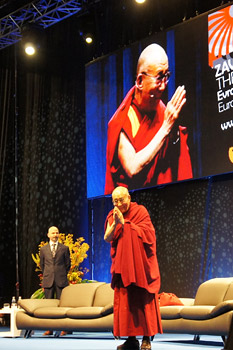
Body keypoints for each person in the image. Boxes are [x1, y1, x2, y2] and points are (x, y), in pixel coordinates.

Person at [105, 43, 193, 195]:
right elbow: (132, 168)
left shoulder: (162, 110)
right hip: (133, 210)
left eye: (167, 76)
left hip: (162, 201)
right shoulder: (121, 120)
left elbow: (174, 164)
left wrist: (175, 135)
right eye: (159, 78)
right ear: (140, 81)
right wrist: (167, 127)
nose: (164, 86)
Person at [104, 186, 162, 350]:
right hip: (123, 267)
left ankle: (146, 339)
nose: (118, 203)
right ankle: (131, 339)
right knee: (127, 303)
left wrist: (126, 224)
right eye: (115, 201)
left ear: (129, 198)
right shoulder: (113, 214)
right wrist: (116, 223)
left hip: (141, 266)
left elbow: (149, 235)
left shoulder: (140, 211)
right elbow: (107, 237)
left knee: (143, 301)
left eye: (121, 200)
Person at [40, 226, 71, 336]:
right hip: (48, 280)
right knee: (48, 306)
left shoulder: (64, 248)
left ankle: (64, 328)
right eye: (53, 233)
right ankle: (50, 328)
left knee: (62, 305)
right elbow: (42, 265)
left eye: (57, 233)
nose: (55, 235)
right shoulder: (43, 249)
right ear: (48, 235)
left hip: (61, 280)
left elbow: (68, 265)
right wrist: (48, 274)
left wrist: (60, 273)